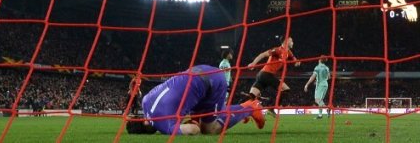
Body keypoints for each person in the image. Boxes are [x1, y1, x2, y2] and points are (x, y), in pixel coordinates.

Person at [126, 65, 265, 135]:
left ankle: (250, 108)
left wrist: (191, 123)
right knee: (200, 117)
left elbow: (194, 130)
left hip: (212, 83)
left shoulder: (164, 126)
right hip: (198, 72)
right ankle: (242, 108)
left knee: (209, 129)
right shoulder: (145, 101)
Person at [247, 37, 300, 117]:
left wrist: (297, 62)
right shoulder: (278, 50)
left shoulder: (288, 52)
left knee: (252, 96)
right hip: (266, 74)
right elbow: (263, 54)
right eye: (291, 41)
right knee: (286, 89)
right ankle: (270, 108)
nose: (293, 42)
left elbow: (294, 59)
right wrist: (253, 63)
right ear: (286, 41)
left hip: (262, 75)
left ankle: (241, 111)